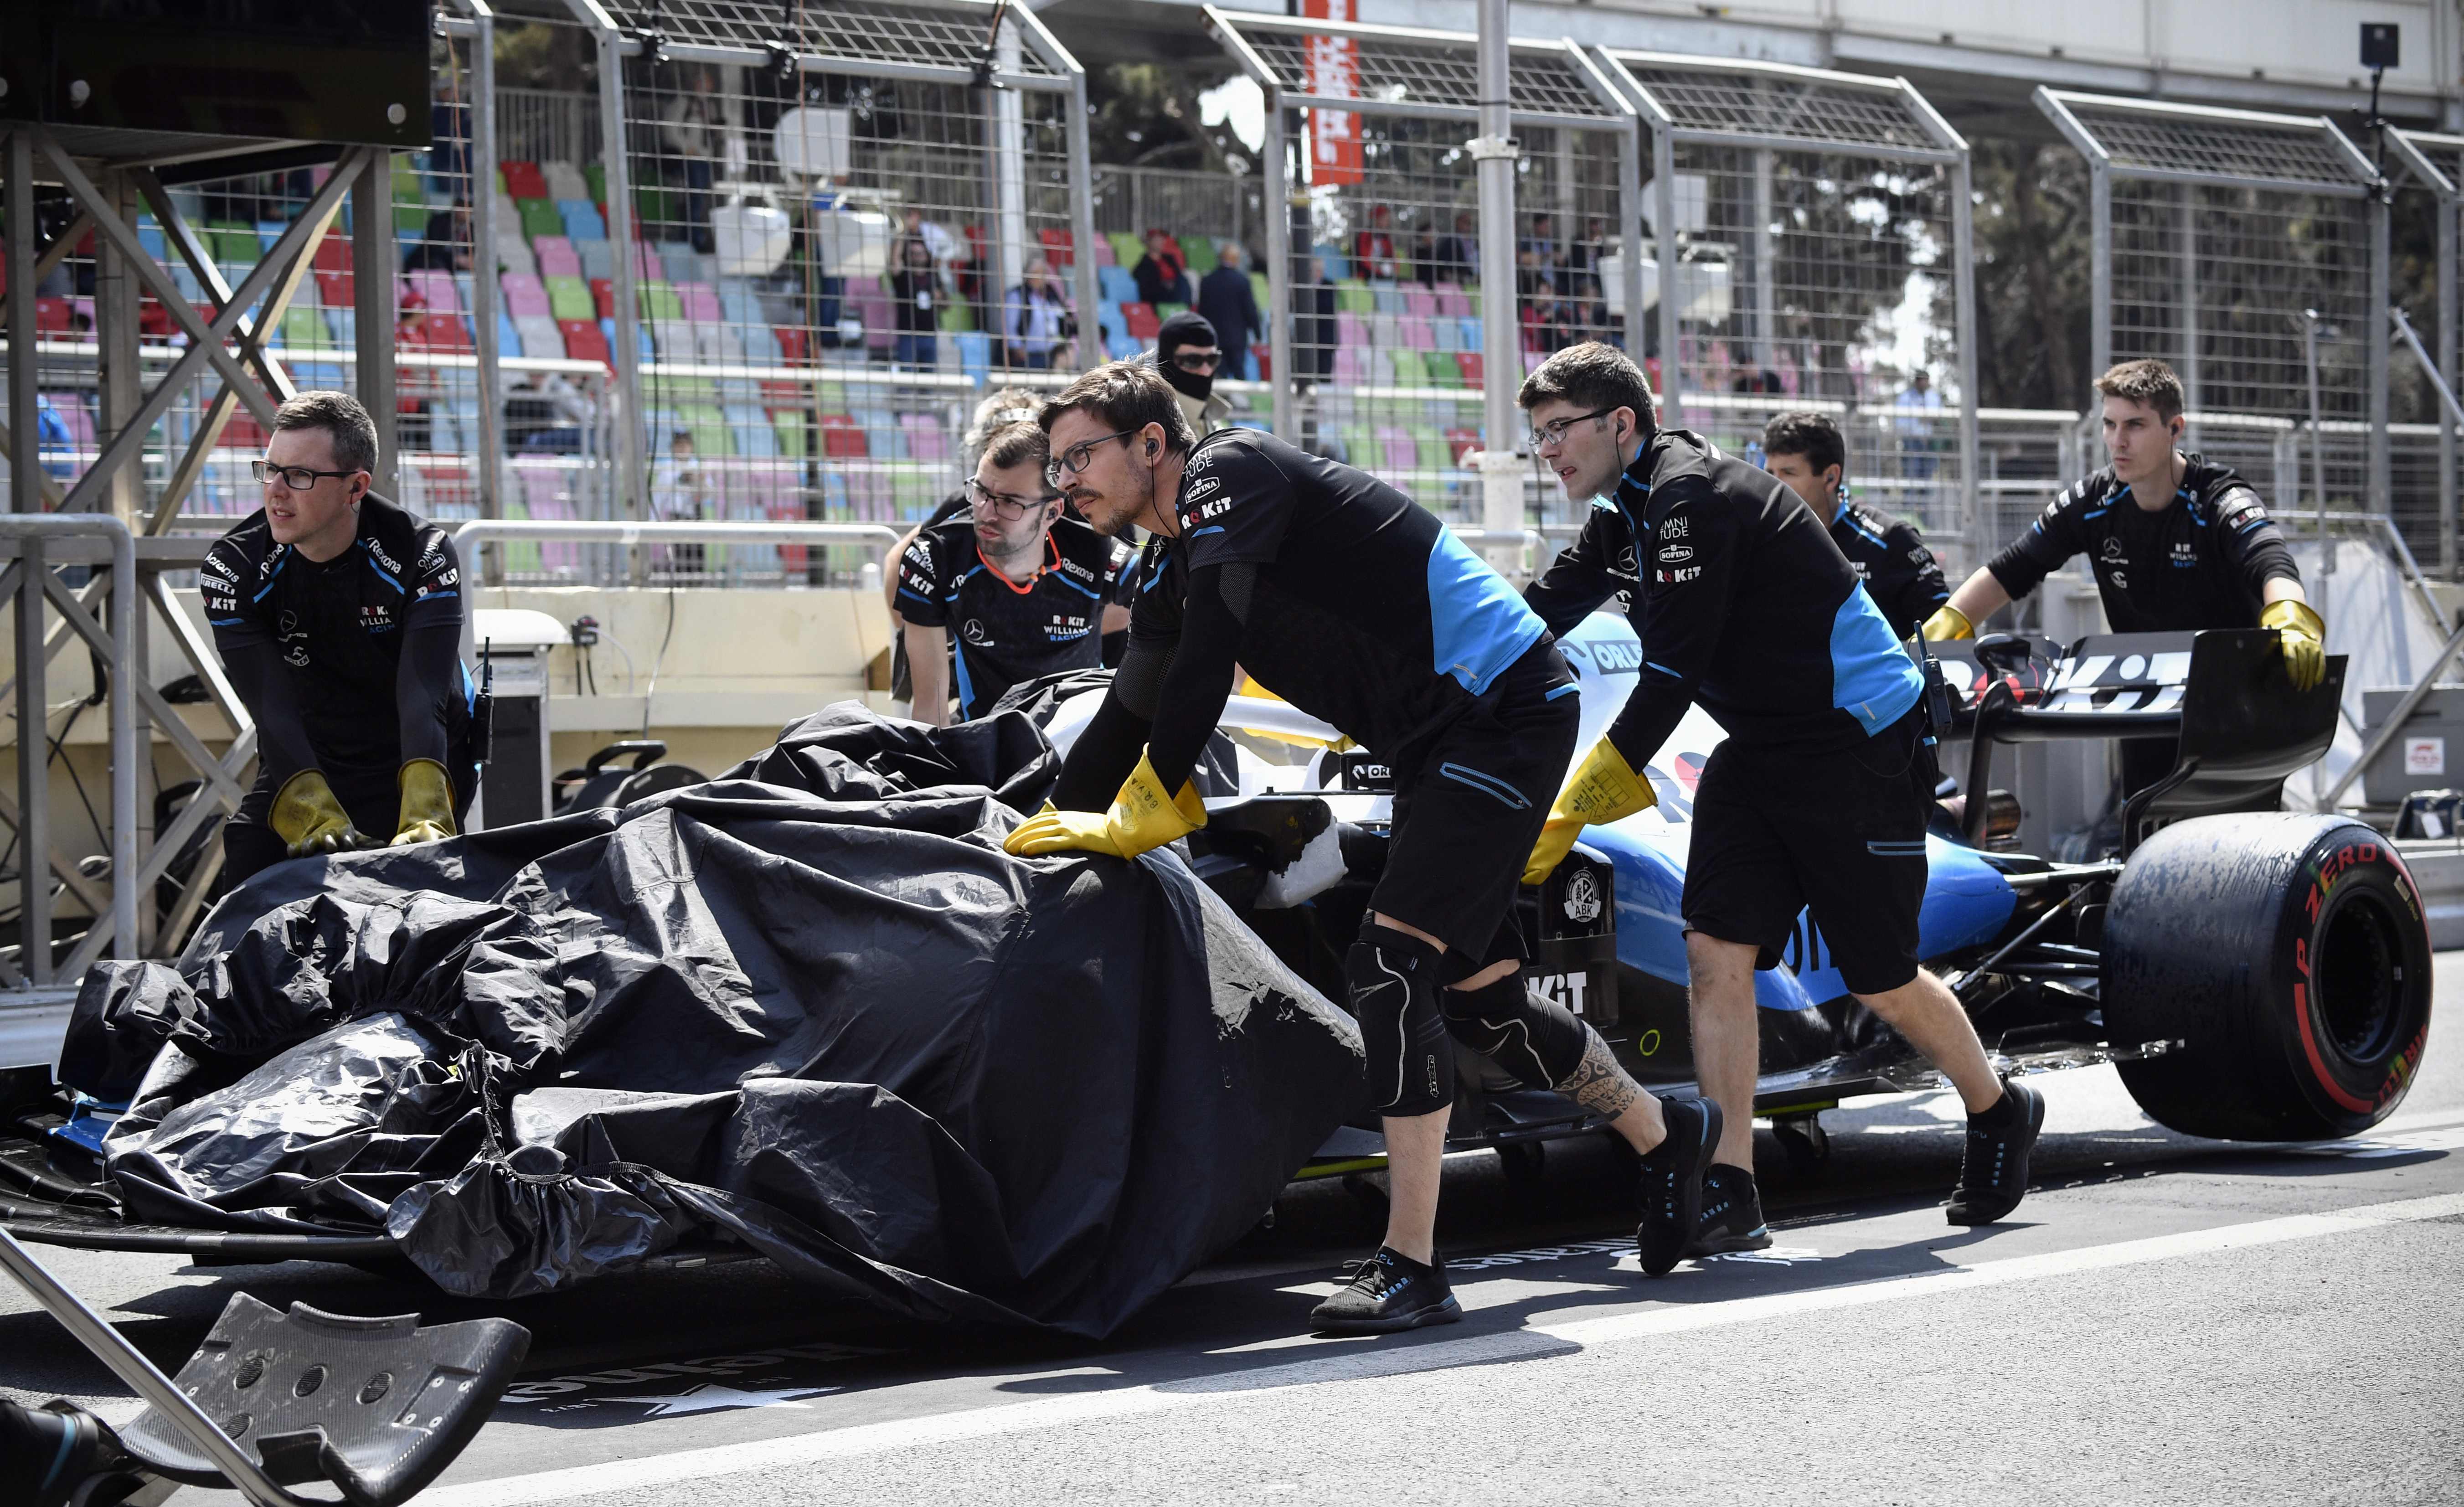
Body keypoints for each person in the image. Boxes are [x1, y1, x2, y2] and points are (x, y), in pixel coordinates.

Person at [1010, 361, 1696, 1332]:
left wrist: (1154, 801)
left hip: (1507, 708)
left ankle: (1412, 1264)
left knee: (1393, 962)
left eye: (1080, 456)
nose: (1064, 481)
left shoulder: (1227, 474)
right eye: (1056, 462)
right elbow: (1130, 709)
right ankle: (1667, 1137)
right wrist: (1033, 837)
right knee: (1484, 996)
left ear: (1151, 445)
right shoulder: (1162, 564)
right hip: (1433, 739)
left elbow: (1211, 653)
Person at [1517, 342, 2044, 1259]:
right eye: (1538, 438)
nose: (1548, 453)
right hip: (1762, 746)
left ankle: (2000, 1109)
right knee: (1714, 948)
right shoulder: (1630, 511)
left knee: (1880, 974)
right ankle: (1732, 1184)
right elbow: (1540, 613)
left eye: (1558, 431)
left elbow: (1671, 672)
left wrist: (1573, 805)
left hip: (1859, 743)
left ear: (1621, 424)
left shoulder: (1689, 497)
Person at [1929, 358, 2321, 799]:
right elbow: (2013, 568)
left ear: (2175, 428)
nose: (2119, 442)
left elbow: (2271, 560)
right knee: (2143, 838)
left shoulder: (2218, 497)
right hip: (2145, 704)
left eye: (2135, 425)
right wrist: (1948, 623)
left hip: (2232, 706)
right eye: (2110, 425)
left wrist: (2291, 615)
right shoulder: (2094, 501)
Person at [201, 392, 476, 888]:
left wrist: (423, 810)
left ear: (356, 488)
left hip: (418, 754)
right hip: (313, 752)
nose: (277, 492)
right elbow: (271, 710)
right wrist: (310, 806)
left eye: (300, 476)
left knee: (414, 901)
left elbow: (425, 696)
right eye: (270, 469)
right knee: (249, 869)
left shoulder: (424, 553)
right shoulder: (233, 568)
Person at [896, 418, 1132, 725]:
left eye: (1010, 502)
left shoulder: (1098, 553)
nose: (986, 513)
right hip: (985, 742)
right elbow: (931, 710)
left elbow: (1172, 600)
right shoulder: (934, 558)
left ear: (1052, 512)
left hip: (1077, 739)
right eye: (980, 491)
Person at [1761, 411, 1949, 640]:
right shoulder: (1760, 540)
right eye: (1770, 473)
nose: (1773, 485)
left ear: (1830, 477)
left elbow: (1943, 633)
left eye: (1788, 473)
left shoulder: (1891, 540)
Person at [1151, 310, 1230, 437]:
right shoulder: (1152, 424)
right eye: (1193, 361)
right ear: (1167, 361)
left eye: (1212, 360)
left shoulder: (1214, 419)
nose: (1206, 371)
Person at [1195, 243, 1261, 381]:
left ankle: (1223, 402)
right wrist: (1258, 334)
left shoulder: (1207, 281)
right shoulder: (1242, 281)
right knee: (1239, 372)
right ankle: (1241, 403)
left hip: (1215, 336)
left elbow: (1202, 311)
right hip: (1237, 338)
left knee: (1219, 374)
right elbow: (1250, 310)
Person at [1003, 254, 1076, 371]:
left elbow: (1061, 317)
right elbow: (1010, 326)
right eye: (1041, 273)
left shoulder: (1048, 296)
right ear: (1031, 275)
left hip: (1050, 354)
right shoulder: (1017, 295)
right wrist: (1017, 349)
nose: (1044, 277)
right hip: (1029, 357)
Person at [887, 235, 939, 368]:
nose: (918, 256)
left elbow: (946, 305)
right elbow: (895, 262)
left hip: (930, 335)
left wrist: (941, 297)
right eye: (913, 253)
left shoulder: (933, 277)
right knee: (907, 380)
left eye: (921, 253)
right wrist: (902, 233)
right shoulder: (903, 277)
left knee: (929, 382)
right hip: (908, 335)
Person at [1131, 229, 1192, 309]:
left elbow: (1179, 275)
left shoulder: (1169, 259)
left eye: (1162, 239)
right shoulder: (1142, 266)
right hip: (1160, 298)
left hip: (1176, 290)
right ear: (1148, 242)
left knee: (1185, 280)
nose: (1161, 242)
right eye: (1157, 239)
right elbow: (1147, 289)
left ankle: (1185, 308)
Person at [1352, 204, 1400, 280]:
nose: (1387, 222)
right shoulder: (1365, 235)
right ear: (1376, 219)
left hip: (1383, 273)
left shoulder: (1386, 238)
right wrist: (1379, 271)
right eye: (1385, 219)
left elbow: (1393, 257)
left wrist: (1393, 269)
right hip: (1366, 273)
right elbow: (1363, 260)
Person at [1431, 212, 1477, 285]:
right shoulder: (1450, 240)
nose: (1468, 226)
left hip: (1471, 275)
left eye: (1470, 223)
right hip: (1455, 277)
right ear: (1457, 223)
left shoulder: (1473, 241)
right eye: (1465, 222)